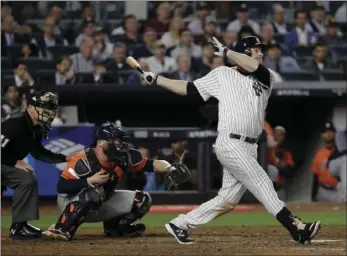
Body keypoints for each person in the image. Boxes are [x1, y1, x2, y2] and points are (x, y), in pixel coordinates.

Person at [139, 36, 321, 244]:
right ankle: (296, 227)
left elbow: (251, 66)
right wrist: (158, 79)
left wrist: (226, 52)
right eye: (256, 50)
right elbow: (188, 89)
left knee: (227, 200)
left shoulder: (266, 76)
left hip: (250, 146)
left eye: (261, 50)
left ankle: (179, 224)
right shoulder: (222, 74)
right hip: (230, 142)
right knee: (262, 181)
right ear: (244, 52)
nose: (261, 53)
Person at [42, 122, 191, 241]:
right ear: (100, 142)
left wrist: (170, 168)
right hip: (70, 203)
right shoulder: (83, 159)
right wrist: (89, 180)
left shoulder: (123, 158)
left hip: (103, 200)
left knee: (143, 200)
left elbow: (153, 164)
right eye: (114, 140)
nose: (119, 144)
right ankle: (61, 228)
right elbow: (62, 187)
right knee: (94, 191)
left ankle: (115, 228)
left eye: (120, 140)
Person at [1, 91, 68, 240]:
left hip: (4, 163)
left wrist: (66, 158)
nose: (49, 113)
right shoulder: (15, 123)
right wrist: (14, 161)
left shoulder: (36, 128)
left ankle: (19, 226)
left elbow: (39, 153)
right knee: (25, 179)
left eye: (51, 110)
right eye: (45, 109)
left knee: (27, 179)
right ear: (30, 107)